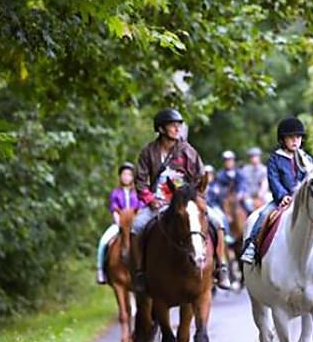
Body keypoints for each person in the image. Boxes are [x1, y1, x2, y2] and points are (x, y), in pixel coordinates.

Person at [131, 108, 232, 292]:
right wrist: (150, 199)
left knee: (217, 222)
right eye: (172, 125)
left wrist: (196, 199)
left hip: (187, 203)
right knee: (137, 226)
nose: (177, 129)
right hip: (158, 203)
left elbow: (200, 178)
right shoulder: (148, 152)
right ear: (161, 129)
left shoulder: (188, 152)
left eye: (179, 125)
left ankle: (221, 267)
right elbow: (140, 181)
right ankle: (140, 273)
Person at [240, 117, 313, 263]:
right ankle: (252, 246)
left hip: (303, 200)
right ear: (282, 139)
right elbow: (273, 180)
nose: (295, 141)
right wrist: (283, 195)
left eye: (298, 137)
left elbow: (311, 179)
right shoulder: (275, 159)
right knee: (264, 215)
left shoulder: (307, 159)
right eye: (291, 137)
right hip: (282, 200)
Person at [95, 162, 143, 284]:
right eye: (124, 174)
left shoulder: (137, 193)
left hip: (134, 224)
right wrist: (118, 221)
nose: (126, 177)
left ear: (133, 177)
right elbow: (114, 208)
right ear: (120, 177)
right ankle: (101, 270)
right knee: (103, 242)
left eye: (129, 175)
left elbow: (140, 208)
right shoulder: (116, 193)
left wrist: (136, 221)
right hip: (119, 224)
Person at [239, 147, 269, 213]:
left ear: (259, 157)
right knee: (246, 205)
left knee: (270, 202)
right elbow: (243, 184)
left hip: (261, 195)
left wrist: (260, 195)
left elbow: (264, 184)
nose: (253, 158)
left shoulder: (264, 169)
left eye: (255, 156)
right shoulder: (245, 170)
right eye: (252, 157)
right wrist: (243, 194)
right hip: (249, 196)